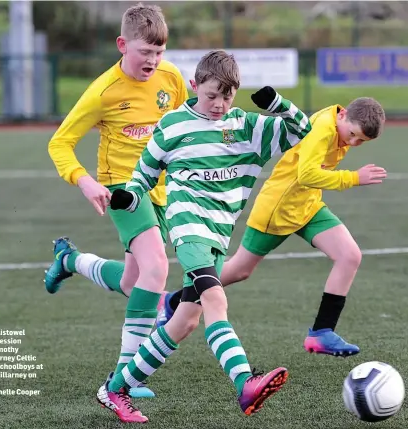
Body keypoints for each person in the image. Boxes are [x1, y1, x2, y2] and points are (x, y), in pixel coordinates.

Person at [97, 50, 312, 423]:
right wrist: (129, 197)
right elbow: (143, 176)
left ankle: (115, 389)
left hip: (219, 232)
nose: (219, 104)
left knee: (184, 323)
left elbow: (301, 130)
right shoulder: (172, 125)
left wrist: (279, 104)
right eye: (212, 95)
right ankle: (245, 383)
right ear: (194, 86)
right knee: (216, 299)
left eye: (227, 97)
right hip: (188, 227)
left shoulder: (245, 126)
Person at [159, 98, 387, 358]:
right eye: (353, 135)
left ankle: (322, 332)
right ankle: (174, 301)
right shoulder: (323, 130)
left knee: (349, 256)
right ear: (343, 114)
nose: (354, 143)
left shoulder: (339, 123)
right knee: (239, 270)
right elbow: (307, 175)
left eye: (361, 142)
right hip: (277, 209)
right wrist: (354, 177)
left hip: (307, 206)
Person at [45, 3, 188, 400]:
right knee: (157, 268)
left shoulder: (171, 76)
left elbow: (179, 125)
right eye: (145, 52)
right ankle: (126, 376)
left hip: (160, 187)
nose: (153, 60)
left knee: (133, 281)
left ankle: (69, 260)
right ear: (122, 45)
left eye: (159, 52)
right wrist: (86, 182)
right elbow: (60, 143)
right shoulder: (103, 92)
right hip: (123, 189)